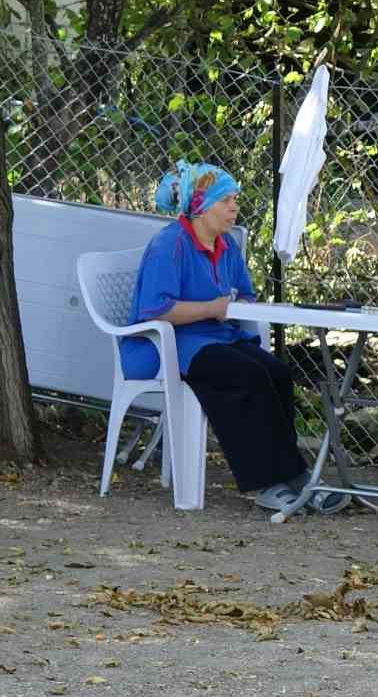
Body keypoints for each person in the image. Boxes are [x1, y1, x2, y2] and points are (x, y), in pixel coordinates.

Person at [121, 160, 346, 515]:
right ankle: (269, 484)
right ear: (200, 206)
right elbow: (157, 311)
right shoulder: (170, 244)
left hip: (217, 337)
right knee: (244, 376)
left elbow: (244, 296)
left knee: (277, 372)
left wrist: (238, 305)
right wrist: (212, 307)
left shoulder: (226, 245)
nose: (234, 207)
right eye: (225, 200)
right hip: (169, 345)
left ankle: (295, 476)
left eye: (235, 200)